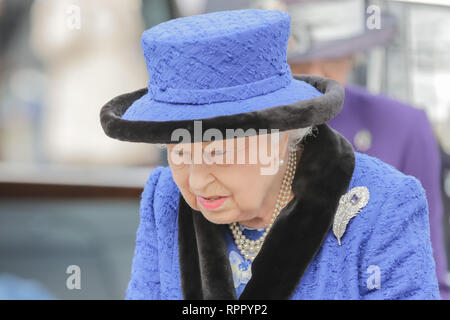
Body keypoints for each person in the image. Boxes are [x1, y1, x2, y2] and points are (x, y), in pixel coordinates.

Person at [100, 9, 440, 299]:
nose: (198, 180)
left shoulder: (384, 206)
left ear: (278, 135)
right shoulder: (166, 198)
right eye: (179, 154)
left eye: (217, 152)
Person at [270, 0, 449, 299]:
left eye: (332, 57)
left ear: (352, 55)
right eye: (300, 60)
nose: (316, 73)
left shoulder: (404, 125)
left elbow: (429, 271)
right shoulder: (260, 125)